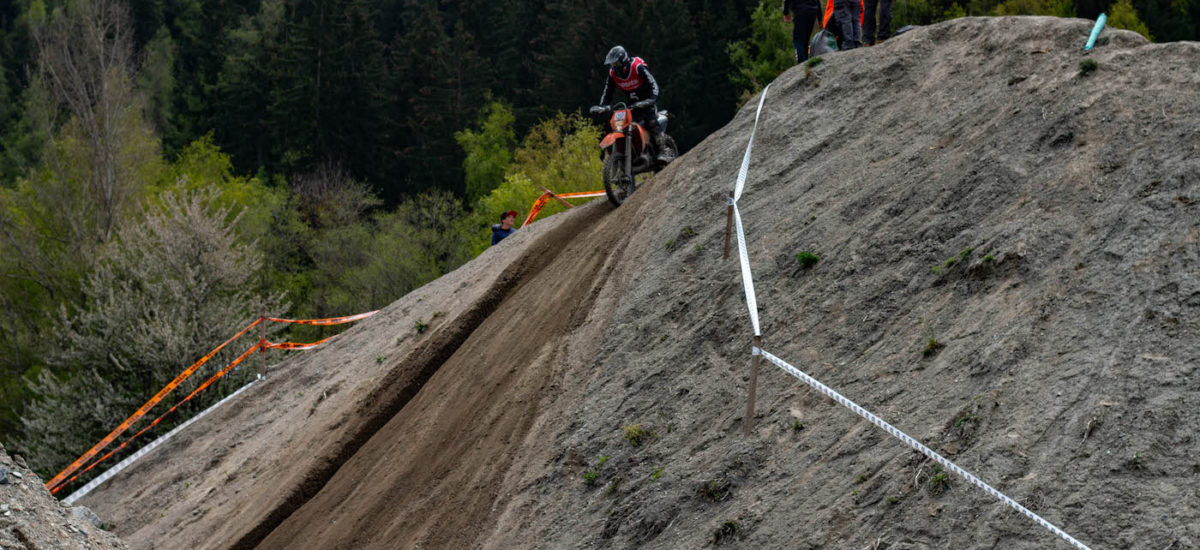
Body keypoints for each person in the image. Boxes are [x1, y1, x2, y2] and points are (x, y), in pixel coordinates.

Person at [590, 45, 671, 163]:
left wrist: (651, 99)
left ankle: (662, 152)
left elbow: (652, 84)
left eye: (616, 63)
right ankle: (631, 154)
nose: (614, 66)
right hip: (631, 105)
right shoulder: (613, 73)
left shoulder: (637, 67)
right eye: (612, 64)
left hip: (646, 102)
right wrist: (603, 106)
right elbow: (608, 91)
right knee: (623, 127)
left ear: (623, 59)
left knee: (651, 122)